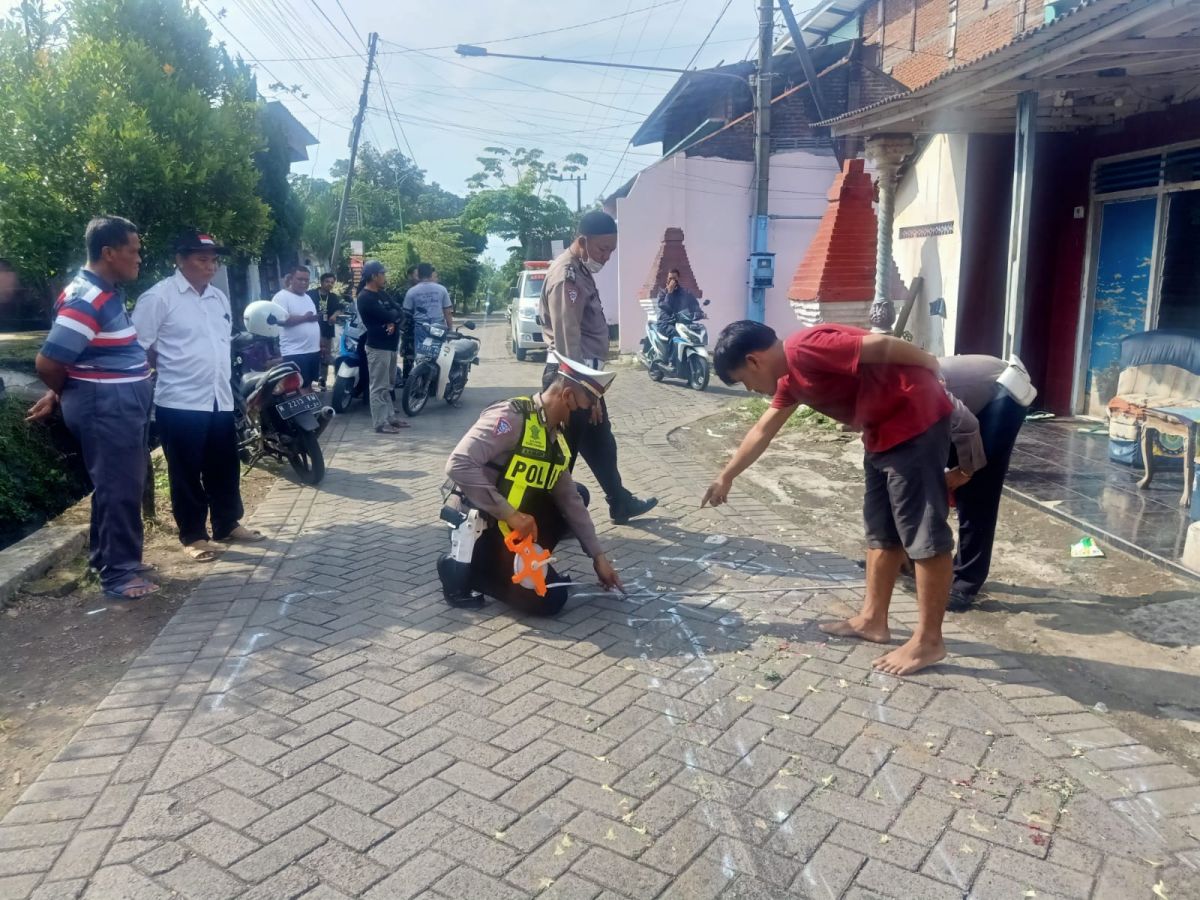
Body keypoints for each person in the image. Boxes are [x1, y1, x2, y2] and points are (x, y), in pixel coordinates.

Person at [703, 320, 968, 677]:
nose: (750, 389)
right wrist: (726, 476)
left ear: (754, 361)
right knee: (881, 532)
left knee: (924, 535)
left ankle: (929, 641)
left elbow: (883, 346)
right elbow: (762, 429)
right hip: (881, 434)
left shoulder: (803, 347)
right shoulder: (791, 378)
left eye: (743, 381)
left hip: (914, 423)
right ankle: (873, 620)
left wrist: (930, 362)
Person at [27, 217, 156, 600]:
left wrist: (62, 392)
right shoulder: (88, 297)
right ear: (108, 252)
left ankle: (111, 560)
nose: (139, 259)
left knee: (116, 485)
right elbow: (47, 362)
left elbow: (79, 356)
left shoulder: (105, 291)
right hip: (105, 407)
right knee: (119, 488)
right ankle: (118, 575)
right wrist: (67, 392)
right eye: (133, 251)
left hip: (114, 403)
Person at [441, 356, 625, 614]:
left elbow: (570, 500)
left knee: (578, 495)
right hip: (482, 522)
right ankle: (467, 571)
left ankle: (522, 562)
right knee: (552, 600)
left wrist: (598, 557)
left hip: (512, 529)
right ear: (568, 396)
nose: (592, 413)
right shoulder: (512, 416)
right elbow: (458, 463)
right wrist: (511, 515)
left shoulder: (555, 435)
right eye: (588, 405)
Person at [131, 230, 266, 563]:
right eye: (202, 260)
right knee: (186, 472)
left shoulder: (218, 298)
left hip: (219, 398)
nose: (210, 267)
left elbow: (221, 346)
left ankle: (227, 524)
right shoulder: (159, 297)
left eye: (213, 260)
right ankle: (193, 535)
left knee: (224, 466)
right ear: (180, 260)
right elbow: (137, 347)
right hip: (180, 401)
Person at [540, 211, 656, 525]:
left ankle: (619, 502)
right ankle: (541, 515)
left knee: (601, 442)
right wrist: (582, 391)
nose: (606, 257)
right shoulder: (567, 276)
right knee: (563, 454)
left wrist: (590, 389)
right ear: (582, 241)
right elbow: (567, 338)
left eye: (611, 251)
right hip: (569, 382)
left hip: (583, 379)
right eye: (602, 249)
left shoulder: (580, 270)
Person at [940, 354, 1035, 612]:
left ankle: (966, 582)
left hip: (1003, 392)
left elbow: (966, 425)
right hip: (967, 399)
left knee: (978, 490)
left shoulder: (921, 389)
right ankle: (906, 556)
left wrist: (965, 471)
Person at [356, 260, 409, 434]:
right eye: (383, 273)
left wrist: (392, 320)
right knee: (378, 386)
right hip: (378, 347)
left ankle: (391, 418)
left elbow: (398, 312)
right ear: (373, 276)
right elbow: (388, 314)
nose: (385, 277)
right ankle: (380, 423)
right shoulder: (365, 297)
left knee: (389, 384)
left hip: (391, 345)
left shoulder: (383, 294)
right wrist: (391, 318)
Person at [272, 265, 321, 387]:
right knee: (297, 387)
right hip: (295, 352)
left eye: (306, 280)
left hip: (313, 350)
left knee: (310, 384)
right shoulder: (281, 297)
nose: (304, 283)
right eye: (300, 279)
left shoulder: (308, 297)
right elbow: (281, 320)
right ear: (290, 279)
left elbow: (312, 320)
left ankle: (311, 407)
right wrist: (306, 318)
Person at [310, 272, 340, 390]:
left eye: (332, 282)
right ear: (321, 282)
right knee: (313, 355)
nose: (329, 284)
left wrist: (334, 315)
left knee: (325, 355)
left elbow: (339, 309)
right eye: (327, 281)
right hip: (312, 329)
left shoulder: (333, 297)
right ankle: (311, 381)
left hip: (327, 329)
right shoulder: (311, 294)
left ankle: (323, 381)